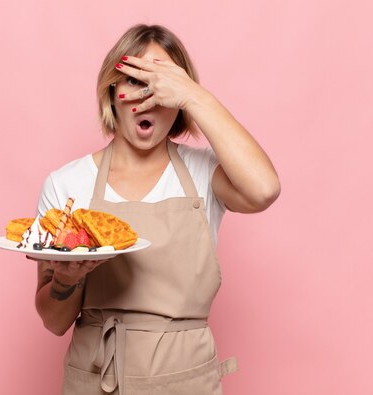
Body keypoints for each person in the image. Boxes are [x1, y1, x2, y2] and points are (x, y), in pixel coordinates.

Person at [31, 24, 280, 394]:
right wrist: (67, 281)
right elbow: (53, 321)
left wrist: (197, 98)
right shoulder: (67, 185)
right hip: (95, 381)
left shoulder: (204, 173)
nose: (148, 97)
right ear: (113, 92)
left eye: (162, 81)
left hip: (186, 382)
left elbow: (264, 189)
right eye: (134, 79)